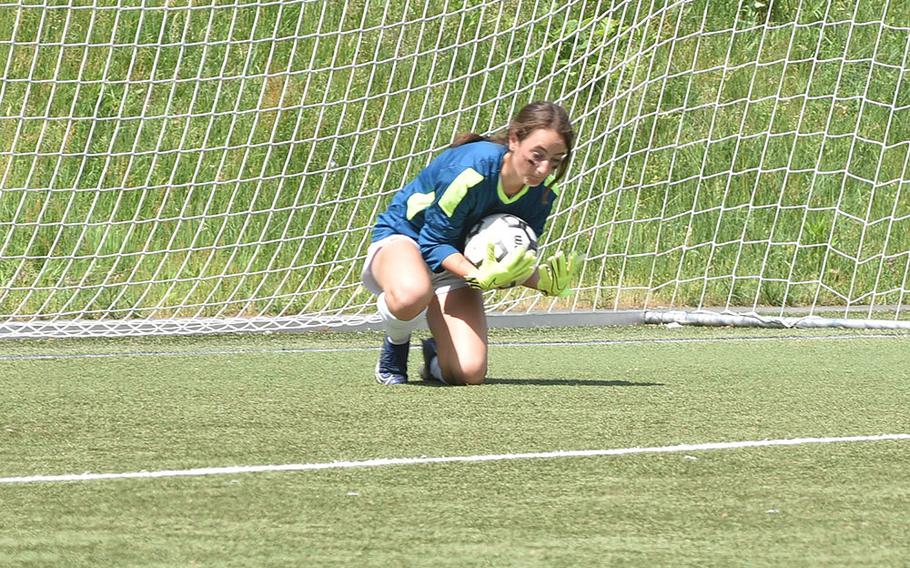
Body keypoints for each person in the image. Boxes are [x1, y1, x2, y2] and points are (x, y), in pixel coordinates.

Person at [361, 101, 583, 386]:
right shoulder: (472, 170)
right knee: (413, 293)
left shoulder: (540, 196)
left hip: (456, 264)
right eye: (536, 156)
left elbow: (504, 261)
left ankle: (434, 357)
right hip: (408, 241)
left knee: (469, 373)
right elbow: (432, 241)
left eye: (555, 161)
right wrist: (474, 275)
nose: (543, 170)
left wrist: (543, 281)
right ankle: (396, 343)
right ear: (514, 139)